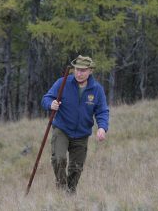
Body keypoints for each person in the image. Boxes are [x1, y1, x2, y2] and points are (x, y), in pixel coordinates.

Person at [41, 55, 109, 194]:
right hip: (62, 128)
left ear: (90, 70)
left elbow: (102, 111)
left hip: (82, 133)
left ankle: (70, 194)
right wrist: (51, 104)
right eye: (77, 69)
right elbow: (46, 98)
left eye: (83, 70)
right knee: (59, 159)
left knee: (76, 167)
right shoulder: (63, 82)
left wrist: (102, 128)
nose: (79, 73)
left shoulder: (97, 89)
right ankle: (61, 188)